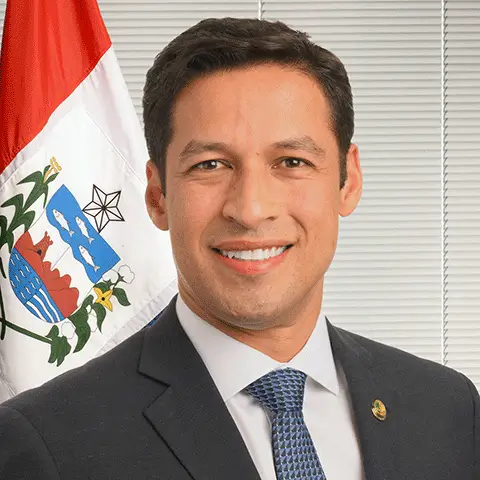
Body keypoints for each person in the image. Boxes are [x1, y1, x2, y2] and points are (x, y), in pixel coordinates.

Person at [0, 17, 478, 480]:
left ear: (347, 181)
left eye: (292, 161)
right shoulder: (47, 444)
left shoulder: (449, 410)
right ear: (158, 195)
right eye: (210, 165)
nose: (250, 210)